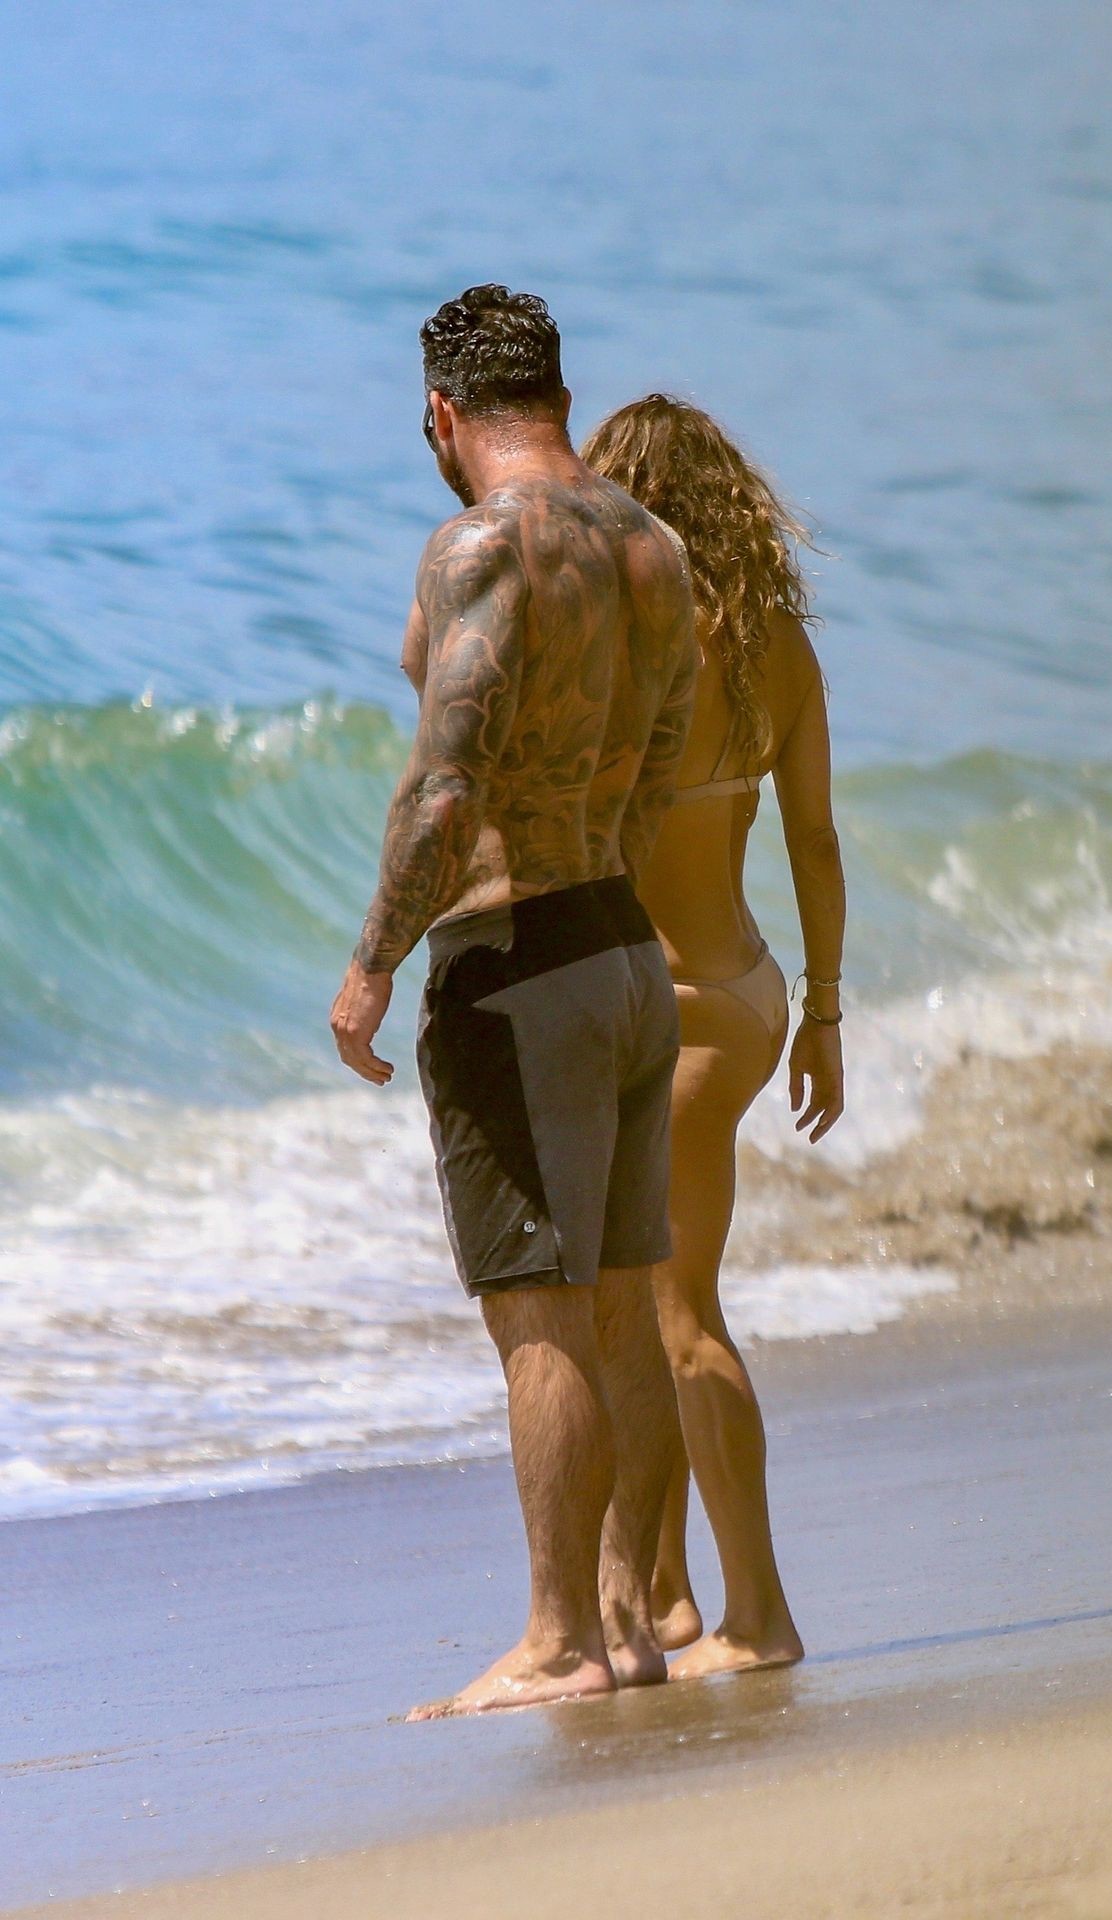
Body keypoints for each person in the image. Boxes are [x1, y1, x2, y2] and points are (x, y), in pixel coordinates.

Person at [330, 291, 698, 1717]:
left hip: (518, 962)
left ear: (442, 413)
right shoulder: (650, 546)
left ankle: (557, 1642)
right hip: (621, 943)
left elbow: (444, 783)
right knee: (621, 1300)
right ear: (558, 394)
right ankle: (631, 1614)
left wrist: (374, 963)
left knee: (537, 1314)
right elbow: (661, 755)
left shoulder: (481, 545)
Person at [581, 395, 846, 1679]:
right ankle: (671, 1595)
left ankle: (758, 1615)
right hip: (744, 991)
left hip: (666, 1011)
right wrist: (826, 1015)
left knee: (677, 1311)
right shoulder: (776, 647)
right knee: (644, 1308)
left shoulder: (628, 635)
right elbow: (814, 842)